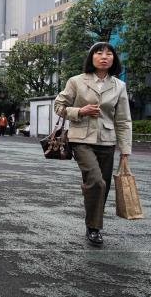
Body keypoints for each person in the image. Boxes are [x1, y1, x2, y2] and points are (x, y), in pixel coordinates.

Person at [54, 42, 132, 247]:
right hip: (81, 139)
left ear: (114, 59)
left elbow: (123, 120)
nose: (104, 56)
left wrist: (125, 150)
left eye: (109, 53)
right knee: (96, 181)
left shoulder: (119, 86)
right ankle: (95, 227)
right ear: (91, 57)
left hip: (107, 141)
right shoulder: (76, 81)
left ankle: (92, 225)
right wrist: (80, 111)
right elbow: (59, 105)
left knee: (102, 187)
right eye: (99, 53)